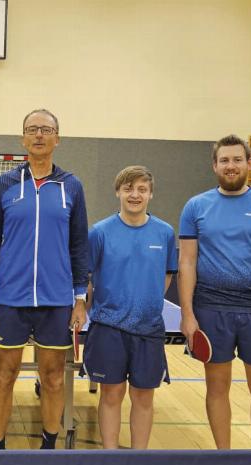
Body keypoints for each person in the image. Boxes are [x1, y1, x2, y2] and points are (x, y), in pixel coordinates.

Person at [0, 109, 89, 450]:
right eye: (32, 129)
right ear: (23, 138)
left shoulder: (71, 186)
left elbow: (79, 244)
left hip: (56, 301)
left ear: (58, 137)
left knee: (54, 378)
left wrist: (81, 297)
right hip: (10, 299)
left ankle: (48, 446)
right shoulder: (4, 186)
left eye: (46, 129)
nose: (39, 135)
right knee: (4, 375)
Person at [178, 134, 251, 449]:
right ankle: (223, 458)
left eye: (237, 159)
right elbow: (187, 262)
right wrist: (187, 314)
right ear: (215, 165)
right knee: (216, 388)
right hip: (211, 309)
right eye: (225, 160)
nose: (231, 166)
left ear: (248, 163)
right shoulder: (196, 206)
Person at [84, 166, 177, 449]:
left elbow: (167, 274)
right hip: (108, 327)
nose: (134, 195)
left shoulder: (165, 233)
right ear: (118, 192)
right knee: (111, 394)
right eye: (128, 189)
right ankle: (110, 456)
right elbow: (87, 277)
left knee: (143, 397)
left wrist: (145, 301)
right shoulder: (99, 232)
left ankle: (139, 459)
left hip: (148, 329)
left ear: (151, 193)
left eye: (141, 189)